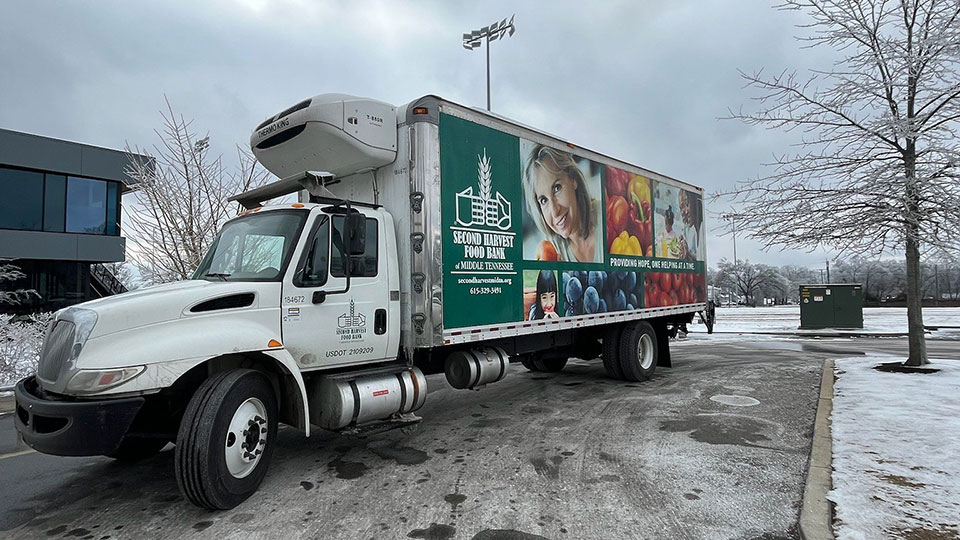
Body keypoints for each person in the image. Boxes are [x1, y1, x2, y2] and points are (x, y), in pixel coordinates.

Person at [523, 145, 600, 263]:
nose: (554, 211)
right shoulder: (555, 251)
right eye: (544, 200)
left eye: (556, 188)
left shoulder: (606, 216)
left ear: (573, 179)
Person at [677, 190, 703, 261]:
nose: (685, 211)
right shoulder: (690, 230)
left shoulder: (702, 229)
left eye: (687, 204)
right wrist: (687, 254)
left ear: (696, 202)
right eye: (681, 208)